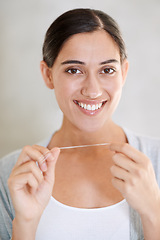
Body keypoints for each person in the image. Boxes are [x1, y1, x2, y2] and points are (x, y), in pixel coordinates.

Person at [0, 8, 160, 240]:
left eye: (107, 70)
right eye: (74, 70)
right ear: (48, 75)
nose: (92, 90)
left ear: (123, 73)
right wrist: (24, 223)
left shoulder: (157, 160)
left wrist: (154, 213)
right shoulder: (10, 176)